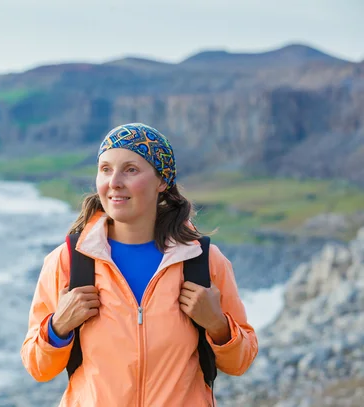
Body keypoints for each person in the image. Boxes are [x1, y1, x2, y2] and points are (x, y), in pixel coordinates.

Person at [20, 123, 258, 406]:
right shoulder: (68, 261)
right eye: (105, 169)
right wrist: (59, 326)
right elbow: (37, 367)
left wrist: (218, 325)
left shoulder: (203, 261)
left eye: (130, 170)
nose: (114, 182)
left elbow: (240, 362)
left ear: (162, 182)